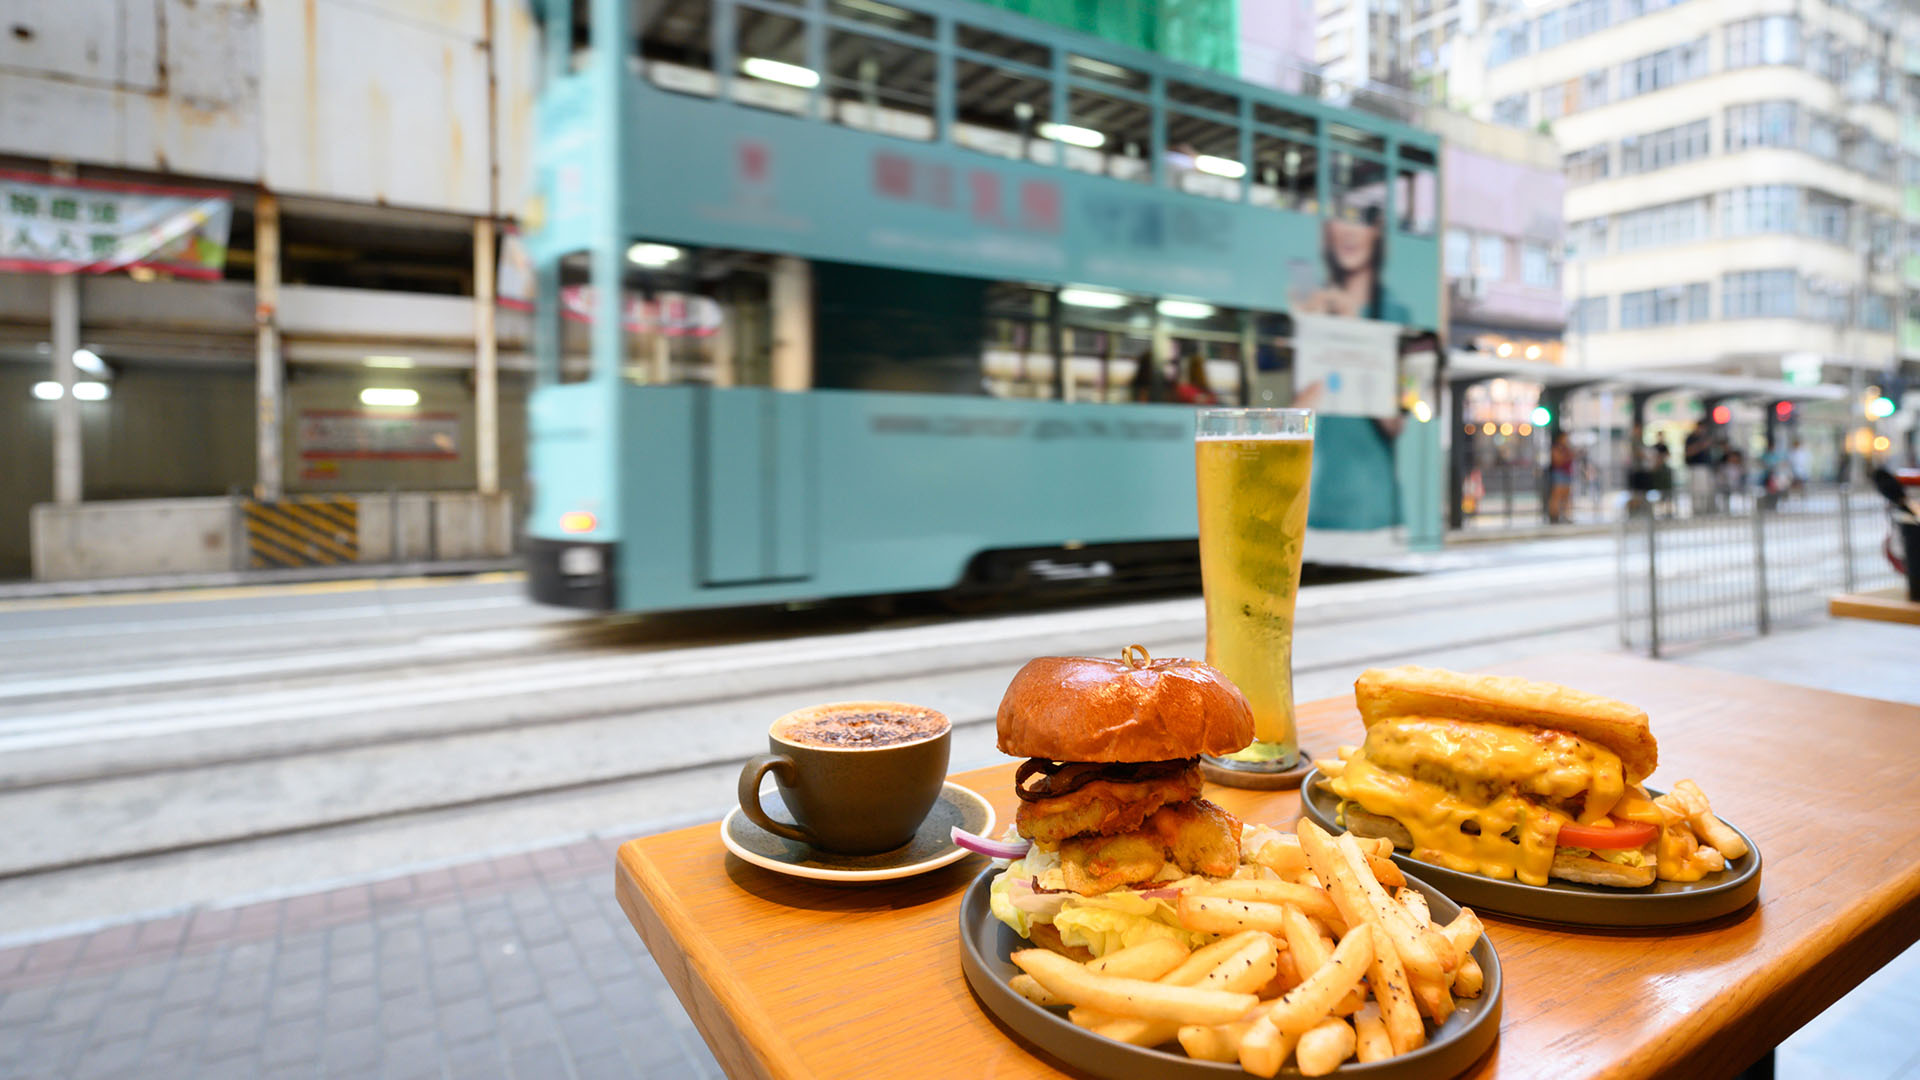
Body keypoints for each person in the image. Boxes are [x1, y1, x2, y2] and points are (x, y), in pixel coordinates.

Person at [1547, 431, 1575, 524]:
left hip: (1567, 473)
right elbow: (1557, 461)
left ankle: (1565, 516)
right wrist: (1566, 457)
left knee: (1566, 496)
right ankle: (1554, 516)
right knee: (1557, 495)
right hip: (1559, 473)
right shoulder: (1556, 448)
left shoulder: (1566, 448)